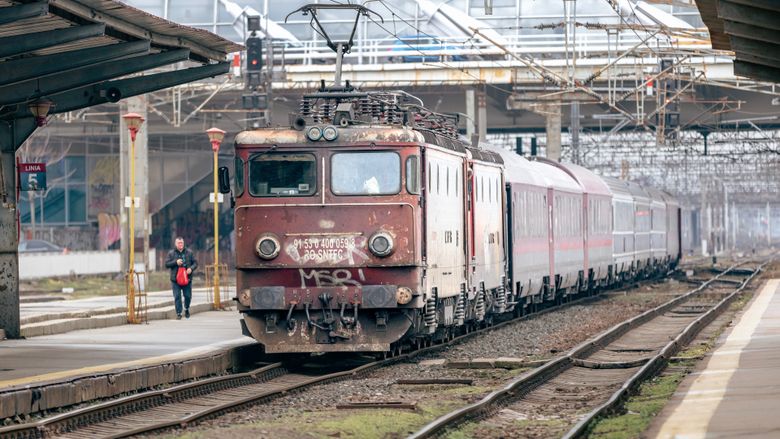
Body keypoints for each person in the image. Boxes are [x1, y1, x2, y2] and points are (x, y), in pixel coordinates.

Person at [165, 237, 198, 320]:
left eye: (181, 243)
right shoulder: (171, 253)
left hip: (187, 279)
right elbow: (167, 264)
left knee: (188, 296)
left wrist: (191, 269)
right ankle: (179, 313)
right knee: (177, 296)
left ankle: (186, 308)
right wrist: (175, 262)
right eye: (179, 243)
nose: (180, 244)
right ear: (175, 244)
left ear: (183, 243)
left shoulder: (189, 252)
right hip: (175, 279)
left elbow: (195, 263)